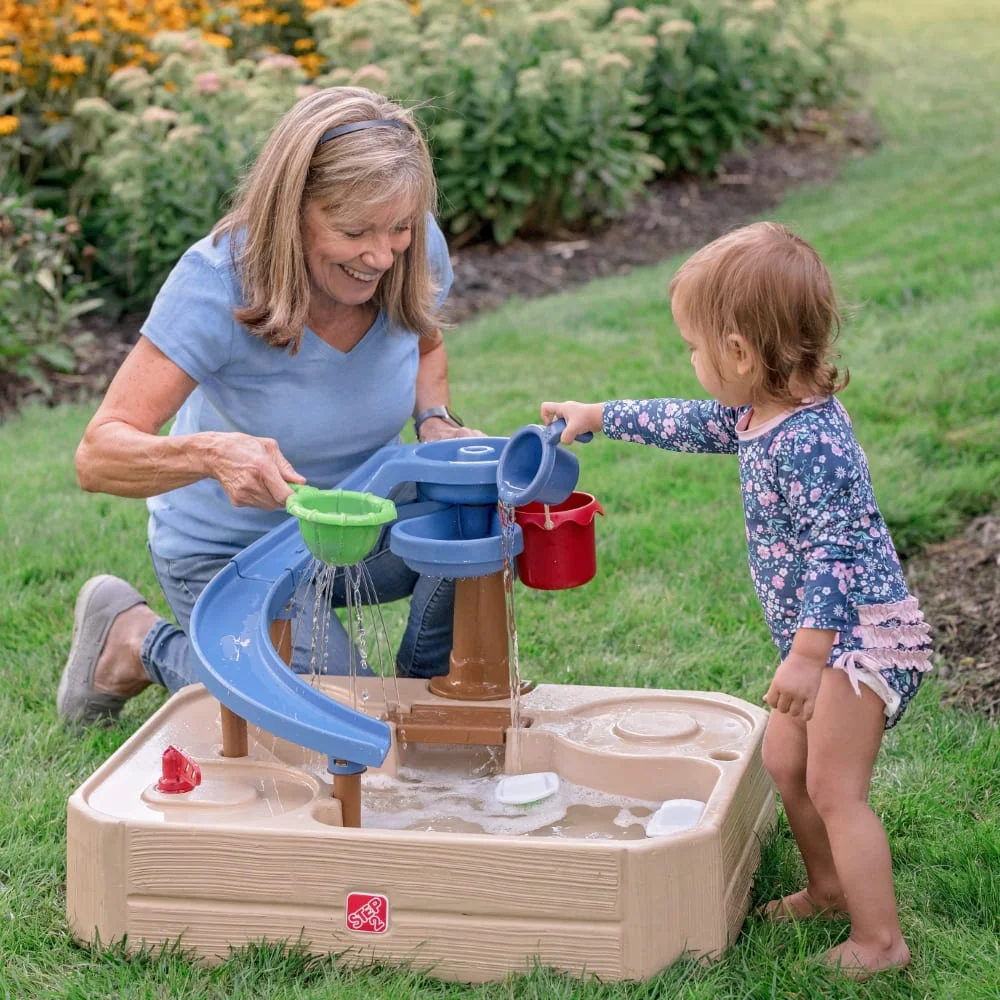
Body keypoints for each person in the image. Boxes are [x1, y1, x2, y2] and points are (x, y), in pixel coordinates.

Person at [540, 222, 930, 980]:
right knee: (785, 759)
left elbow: (836, 551)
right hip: (823, 643)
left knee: (834, 787)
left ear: (741, 353)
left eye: (694, 347)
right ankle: (825, 889)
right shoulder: (762, 413)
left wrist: (810, 656)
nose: (691, 362)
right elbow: (689, 423)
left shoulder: (810, 441)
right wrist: (600, 414)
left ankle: (881, 940)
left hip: (856, 642)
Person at [58, 86, 483, 726]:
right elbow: (98, 454)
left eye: (397, 227)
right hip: (231, 551)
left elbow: (425, 346)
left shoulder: (410, 243)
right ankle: (135, 641)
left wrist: (434, 419)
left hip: (358, 523)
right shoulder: (217, 280)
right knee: (330, 722)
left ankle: (425, 705)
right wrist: (211, 454)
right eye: (353, 231)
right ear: (292, 210)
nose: (380, 254)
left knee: (479, 520)